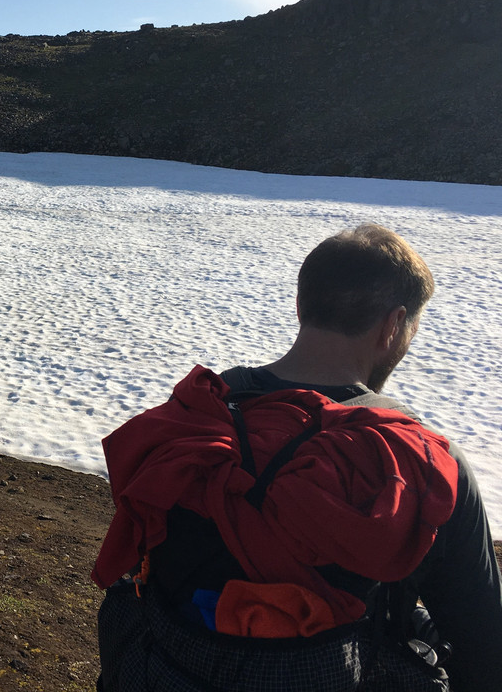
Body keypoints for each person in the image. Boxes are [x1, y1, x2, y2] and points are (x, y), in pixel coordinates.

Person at [92, 224, 502, 691]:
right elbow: (484, 649)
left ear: (301, 306)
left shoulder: (190, 417)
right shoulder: (423, 463)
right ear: (393, 326)